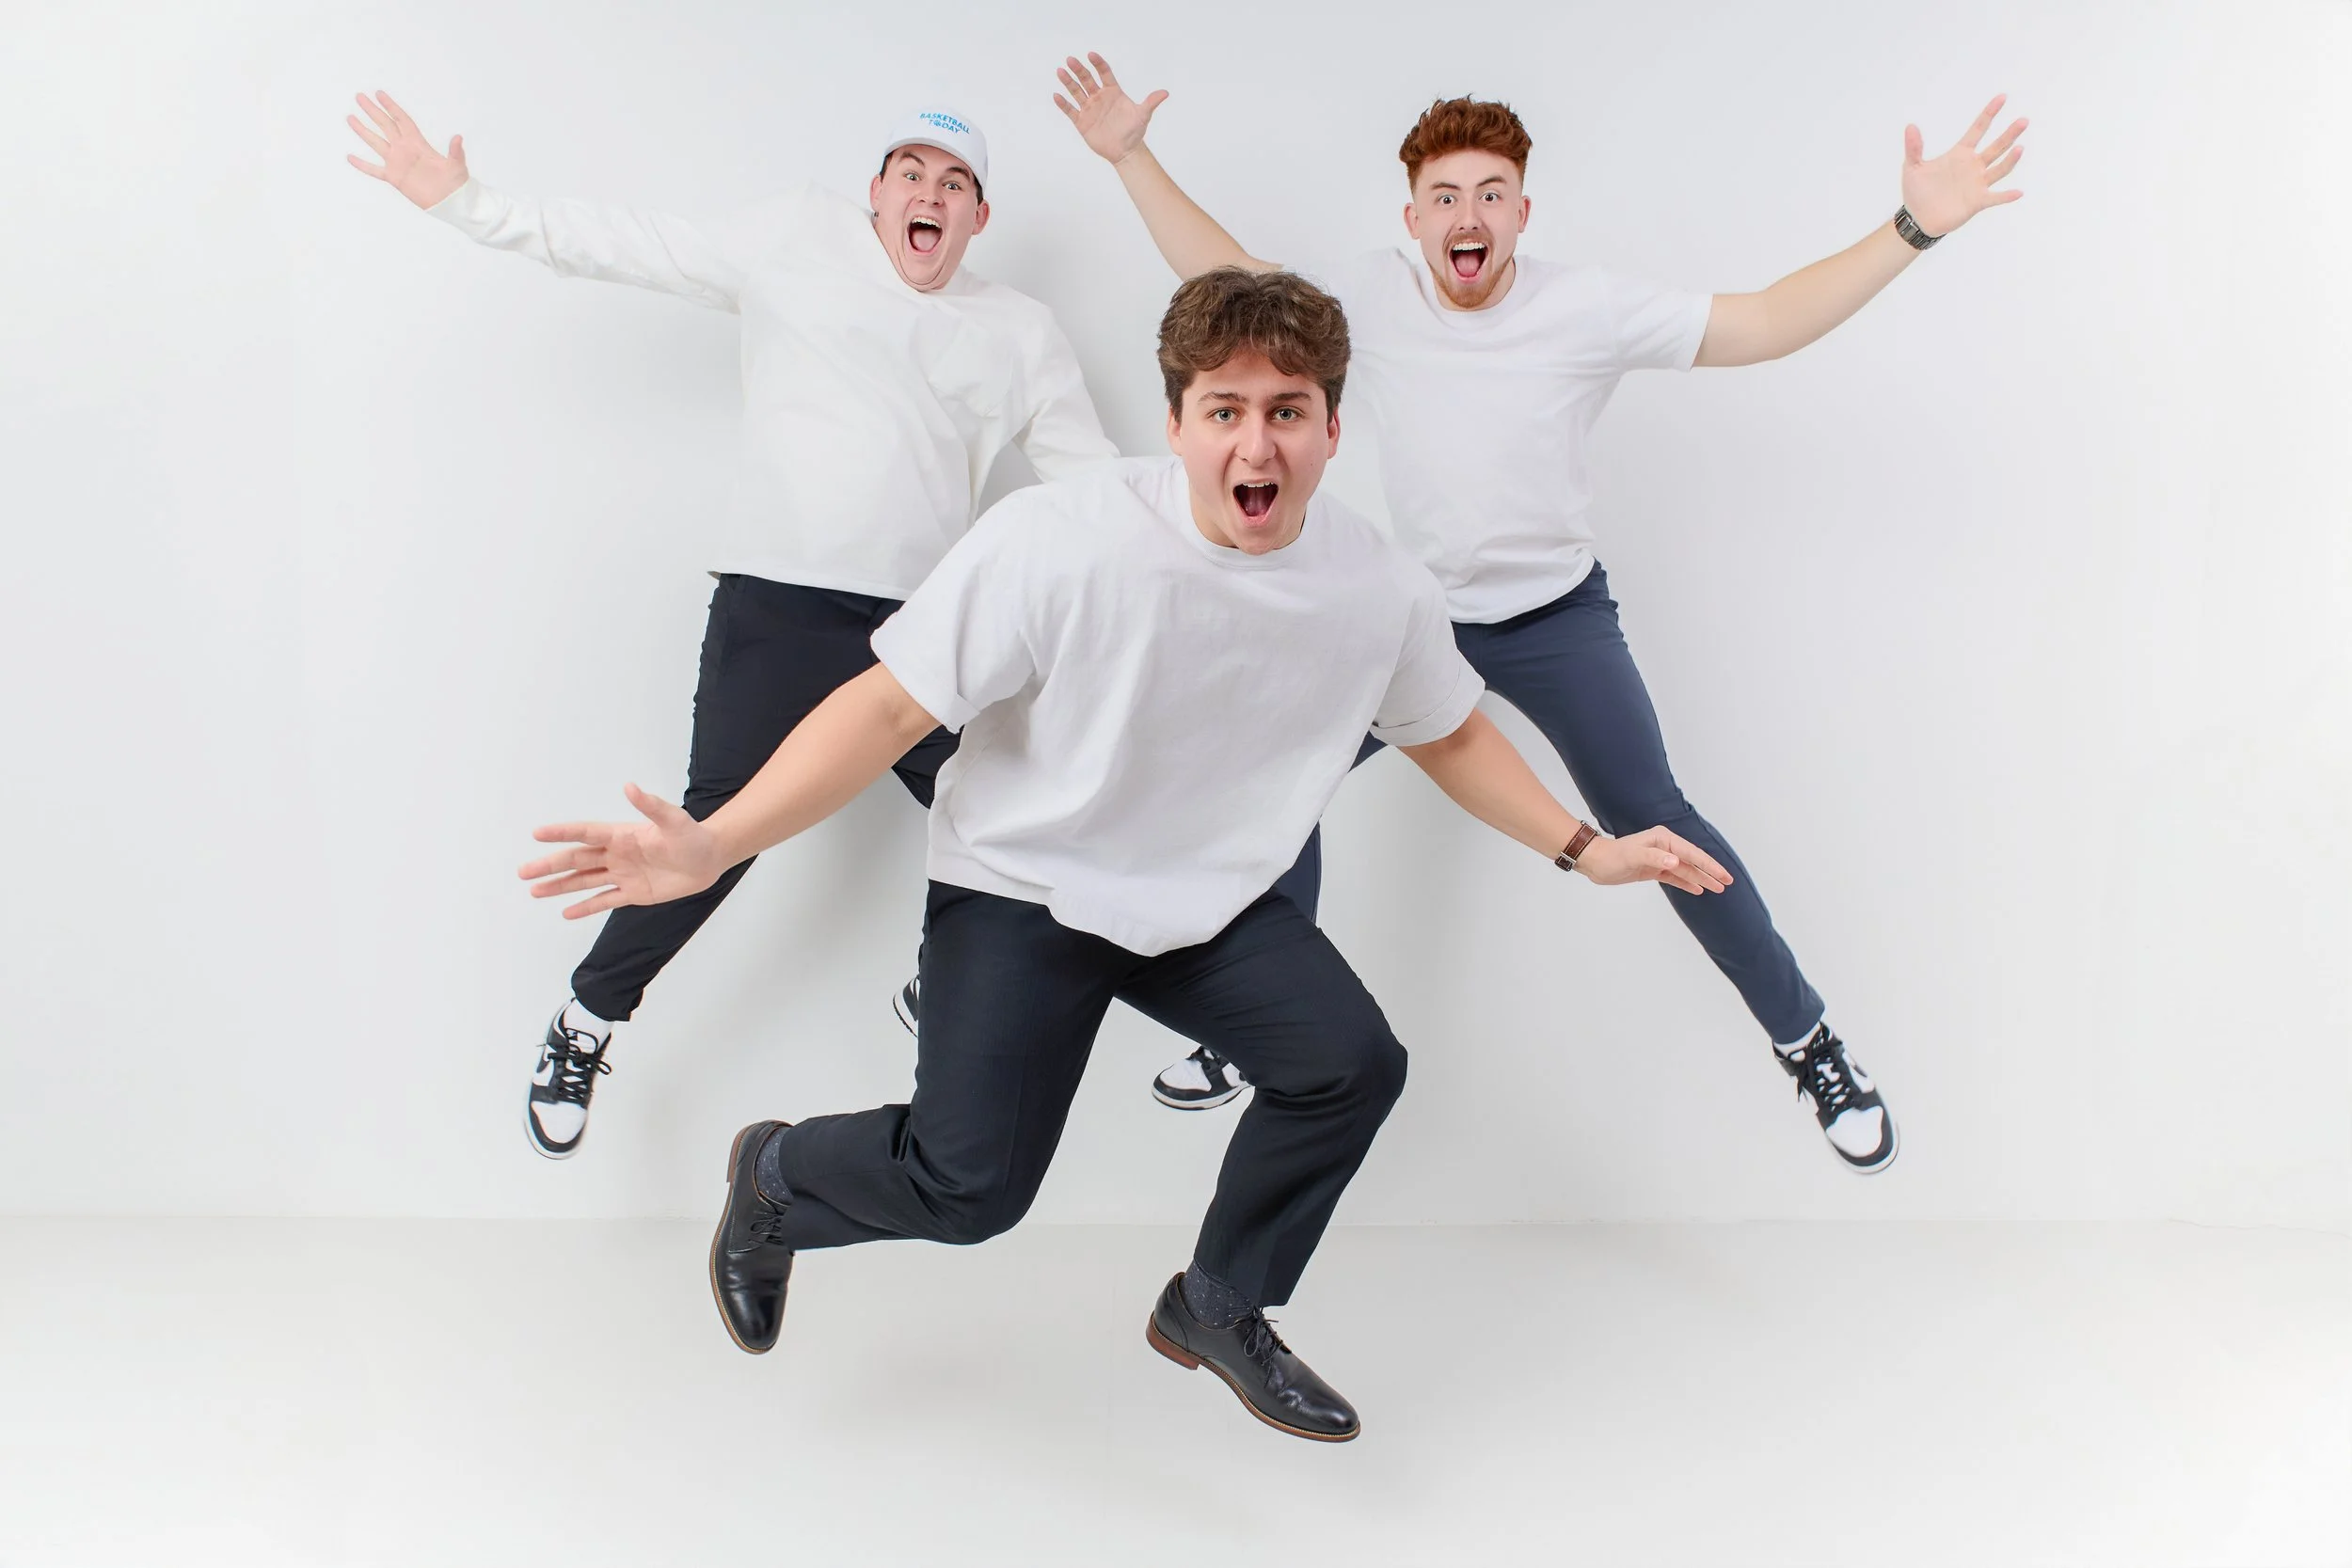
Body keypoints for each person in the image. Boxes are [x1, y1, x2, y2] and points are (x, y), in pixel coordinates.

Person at [518, 269, 1731, 1439]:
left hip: (1208, 900)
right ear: (1176, 422)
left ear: (1332, 427)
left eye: (1287, 413)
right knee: (970, 1192)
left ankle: (1216, 1302)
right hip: (1026, 885)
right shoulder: (1062, 538)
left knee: (1349, 1061)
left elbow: (1449, 730)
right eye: (1225, 412)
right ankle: (777, 1174)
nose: (1256, 448)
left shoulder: (1377, 584)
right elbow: (887, 708)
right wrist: (718, 840)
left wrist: (1587, 846)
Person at [1054, 54, 2027, 1169]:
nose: (1467, 217)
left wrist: (1912, 225)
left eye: (1490, 194)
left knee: (1657, 818)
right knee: (1273, 779)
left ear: (1521, 210)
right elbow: (1220, 272)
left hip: (1555, 620)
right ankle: (1246, 1024)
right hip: (1409, 621)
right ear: (1412, 216)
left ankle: (1806, 1039)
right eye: (1444, 197)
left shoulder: (1588, 309)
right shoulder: (1364, 299)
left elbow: (1762, 321)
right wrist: (1130, 155)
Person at [345, 92, 1118, 1157]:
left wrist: (1219, 543)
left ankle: (945, 978)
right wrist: (468, 204)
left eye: (955, 185)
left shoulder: (1020, 330)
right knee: (715, 829)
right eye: (911, 174)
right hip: (781, 599)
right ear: (876, 193)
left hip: (925, 628)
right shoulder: (798, 238)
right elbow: (632, 245)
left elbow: (1099, 491)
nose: (928, 196)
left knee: (1028, 811)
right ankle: (589, 1014)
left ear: (979, 218)